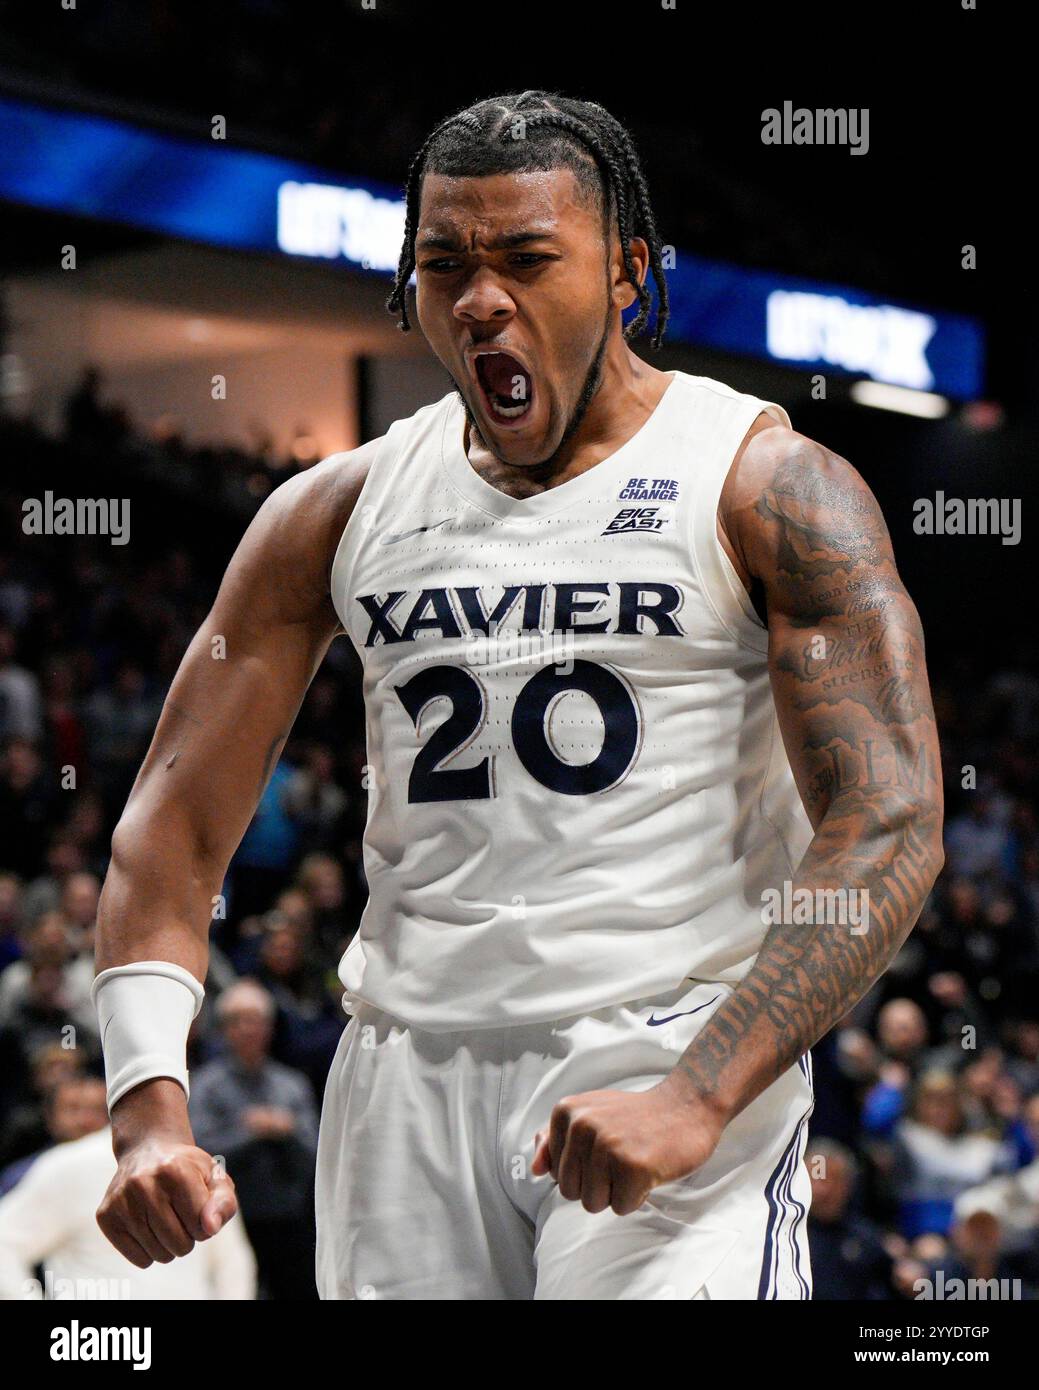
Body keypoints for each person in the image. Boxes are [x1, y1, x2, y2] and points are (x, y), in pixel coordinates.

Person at [91, 90, 944, 1300]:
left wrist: (702, 1091)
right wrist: (145, 1111)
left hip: (668, 1051)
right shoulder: (329, 512)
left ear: (627, 272)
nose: (481, 296)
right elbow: (170, 835)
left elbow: (891, 817)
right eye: (445, 262)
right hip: (402, 1084)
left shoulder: (766, 483)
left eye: (526, 259)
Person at [188, 981, 318, 1299]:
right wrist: (251, 1132)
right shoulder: (205, 1087)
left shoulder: (292, 1085)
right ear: (224, 1029)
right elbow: (200, 1153)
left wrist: (285, 1132)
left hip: (289, 1218)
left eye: (256, 1020)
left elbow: (316, 1154)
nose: (248, 1029)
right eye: (238, 1020)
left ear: (269, 1028)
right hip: (231, 1219)